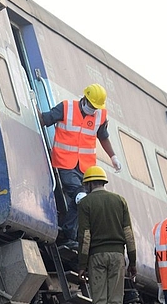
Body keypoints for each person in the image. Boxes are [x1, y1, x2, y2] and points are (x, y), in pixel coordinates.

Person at [39, 83, 122, 249]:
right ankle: (70, 235)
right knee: (79, 196)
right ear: (84, 98)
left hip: (86, 167)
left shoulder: (100, 116)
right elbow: (44, 119)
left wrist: (113, 157)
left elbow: (103, 136)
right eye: (92, 105)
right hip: (64, 162)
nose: (93, 109)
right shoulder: (66, 108)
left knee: (82, 200)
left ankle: (71, 234)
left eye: (96, 107)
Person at [77, 165, 136, 304]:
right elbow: (129, 234)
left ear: (90, 184)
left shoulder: (85, 203)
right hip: (117, 256)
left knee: (99, 301)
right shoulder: (120, 200)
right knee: (115, 301)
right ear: (103, 182)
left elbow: (85, 236)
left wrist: (82, 265)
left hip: (96, 257)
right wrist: (132, 262)